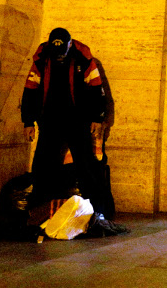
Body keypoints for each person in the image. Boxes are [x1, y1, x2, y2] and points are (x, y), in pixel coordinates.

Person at [21, 27, 109, 216]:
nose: (59, 56)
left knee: (86, 165)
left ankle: (96, 212)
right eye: (56, 53)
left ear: (70, 44)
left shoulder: (84, 59)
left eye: (62, 52)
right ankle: (38, 211)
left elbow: (97, 89)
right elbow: (30, 89)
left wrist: (97, 118)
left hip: (78, 120)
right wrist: (28, 121)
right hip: (49, 120)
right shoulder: (42, 58)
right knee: (43, 165)